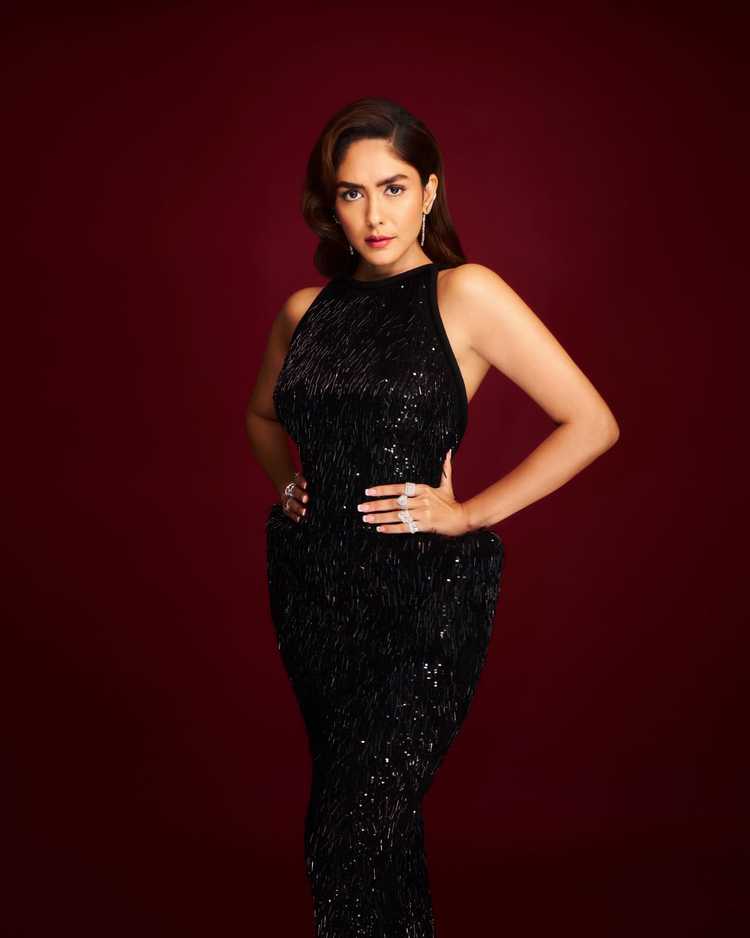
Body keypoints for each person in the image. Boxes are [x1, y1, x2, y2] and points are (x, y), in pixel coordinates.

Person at [245, 96, 619, 937]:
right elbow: (262, 417)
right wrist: (286, 482)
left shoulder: (467, 293)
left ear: (430, 192)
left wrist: (471, 512)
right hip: (315, 591)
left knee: (348, 832)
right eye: (352, 193)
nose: (374, 215)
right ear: (330, 204)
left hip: (422, 598)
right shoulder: (305, 311)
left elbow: (592, 422)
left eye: (393, 188)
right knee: (380, 839)